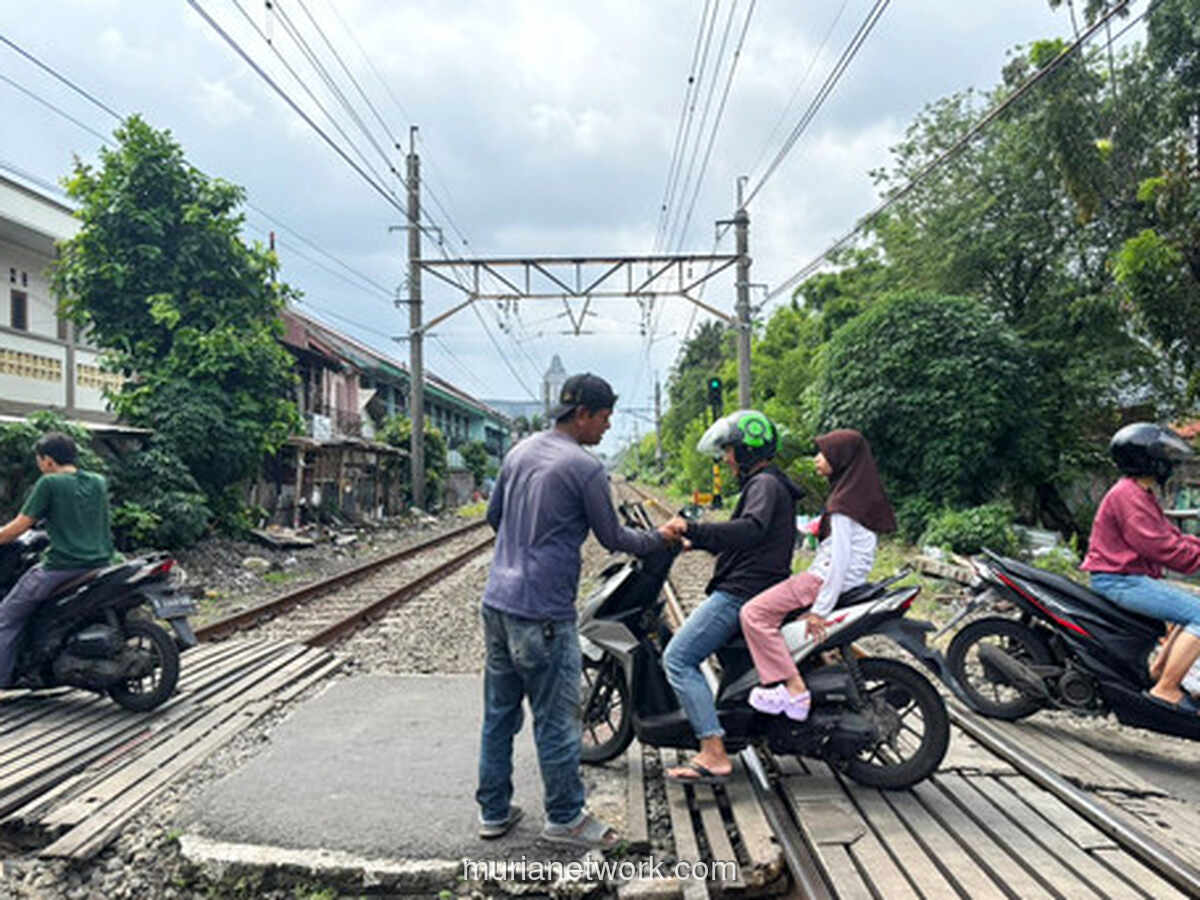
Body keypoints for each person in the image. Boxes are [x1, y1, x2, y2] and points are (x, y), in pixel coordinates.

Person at [475, 373, 676, 848]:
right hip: (543, 611)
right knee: (557, 717)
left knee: (499, 713)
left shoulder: (519, 451)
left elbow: (493, 518)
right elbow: (615, 538)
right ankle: (565, 819)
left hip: (498, 602)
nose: (606, 428)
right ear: (583, 413)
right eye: (604, 418)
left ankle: (494, 811)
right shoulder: (585, 468)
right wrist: (661, 538)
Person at [658, 410, 805, 784]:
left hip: (742, 591)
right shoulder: (769, 484)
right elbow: (753, 542)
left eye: (730, 451)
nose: (726, 458)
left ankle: (713, 751)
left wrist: (695, 528)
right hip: (754, 583)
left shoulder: (765, 486)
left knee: (677, 658)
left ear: (746, 451)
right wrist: (696, 543)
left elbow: (750, 530)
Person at [741, 428, 896, 720]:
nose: (816, 459)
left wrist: (819, 611)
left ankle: (793, 689)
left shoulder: (841, 507)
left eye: (823, 454)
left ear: (841, 459)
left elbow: (838, 561)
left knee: (753, 614)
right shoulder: (855, 498)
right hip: (846, 580)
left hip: (820, 580)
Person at [1082, 422, 1200, 712]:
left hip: (1129, 578)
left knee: (1188, 611)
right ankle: (1166, 688)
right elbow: (1157, 545)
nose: (1170, 463)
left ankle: (1160, 672)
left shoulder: (1139, 492)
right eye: (1166, 456)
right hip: (1119, 580)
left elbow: (1169, 536)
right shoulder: (1128, 495)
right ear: (1149, 460)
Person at [0, 432, 114, 688]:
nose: (39, 466)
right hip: (101, 563)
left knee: (6, 616)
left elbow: (19, 526)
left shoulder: (49, 484)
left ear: (48, 461)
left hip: (62, 567)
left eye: (39, 460)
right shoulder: (97, 481)